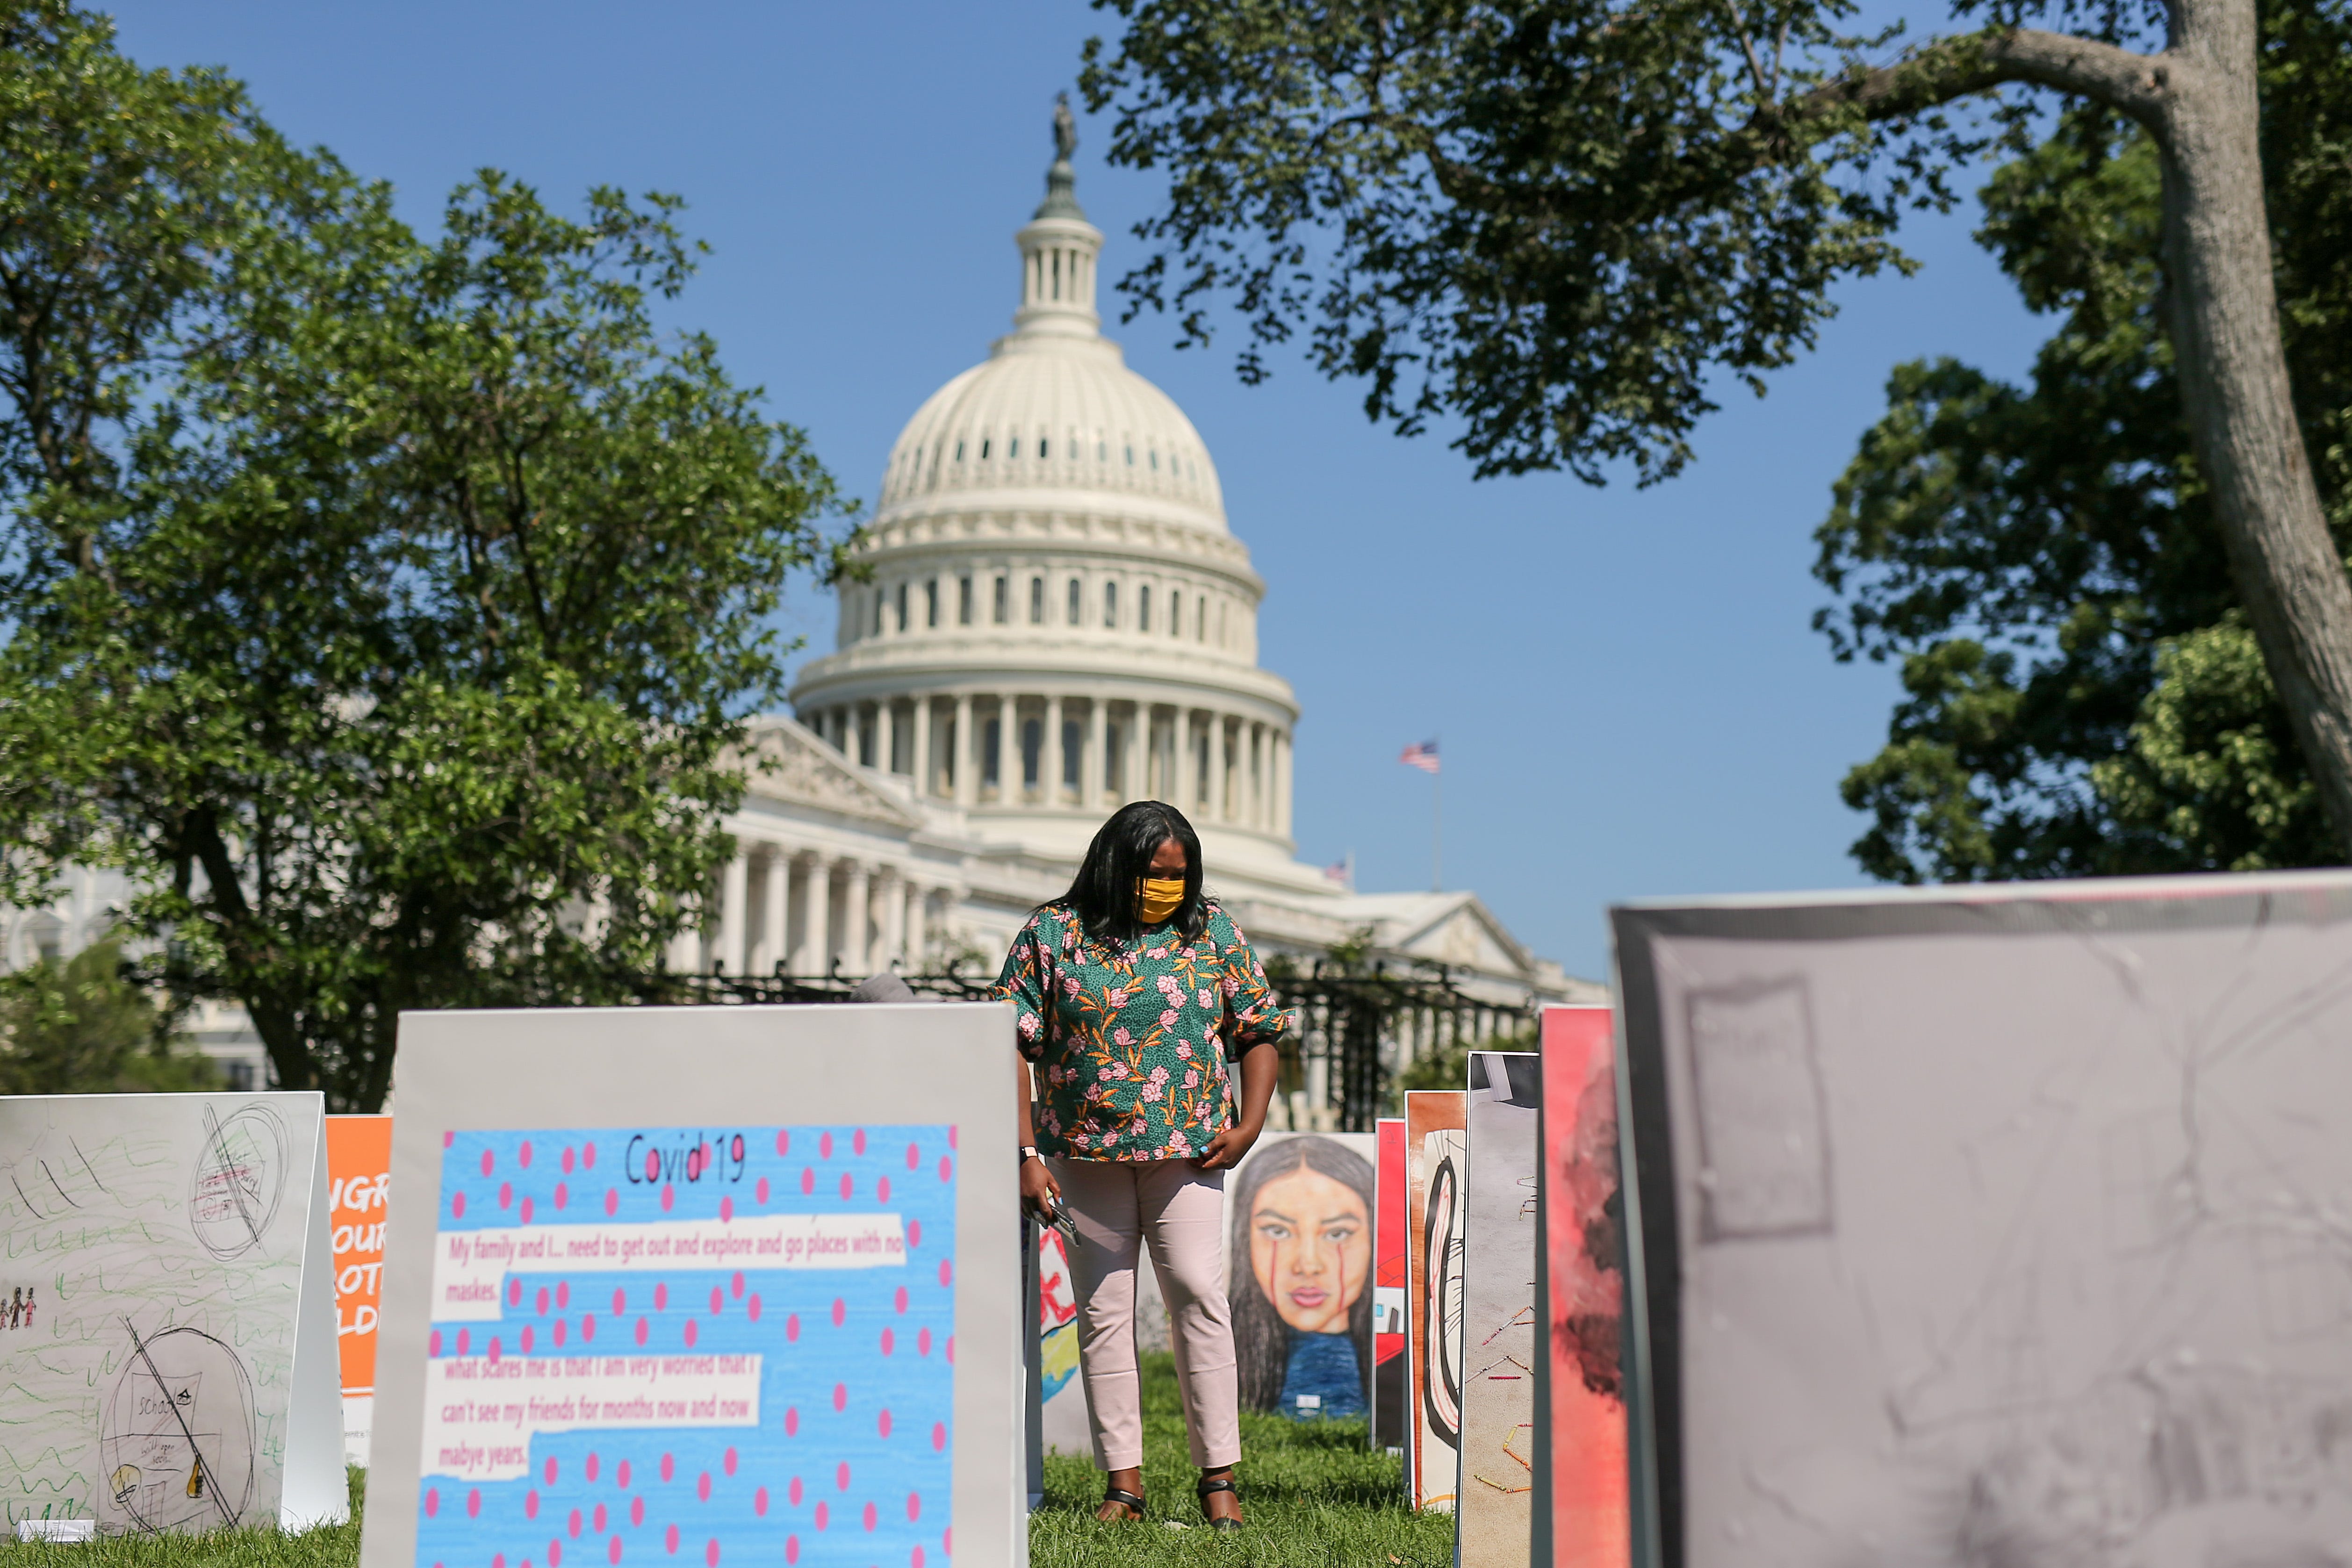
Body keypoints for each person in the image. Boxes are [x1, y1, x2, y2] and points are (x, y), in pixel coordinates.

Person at [995, 800, 1285, 1531]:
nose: (1164, 887)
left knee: (1195, 1291)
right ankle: (1122, 1483)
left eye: (1177, 875)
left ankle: (1217, 1474)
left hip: (1189, 1147)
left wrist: (1248, 1126)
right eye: (1152, 874)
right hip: (1082, 1151)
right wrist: (1026, 1153)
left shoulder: (1211, 929)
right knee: (1102, 1311)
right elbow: (1006, 1042)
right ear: (1113, 865)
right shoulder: (1052, 934)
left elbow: (1257, 1029)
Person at [1230, 1136, 1374, 1421]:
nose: (1308, 1265)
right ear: (1245, 1238)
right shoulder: (1227, 1355)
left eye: (1337, 1234)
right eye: (1278, 1232)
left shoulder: (1406, 1363)